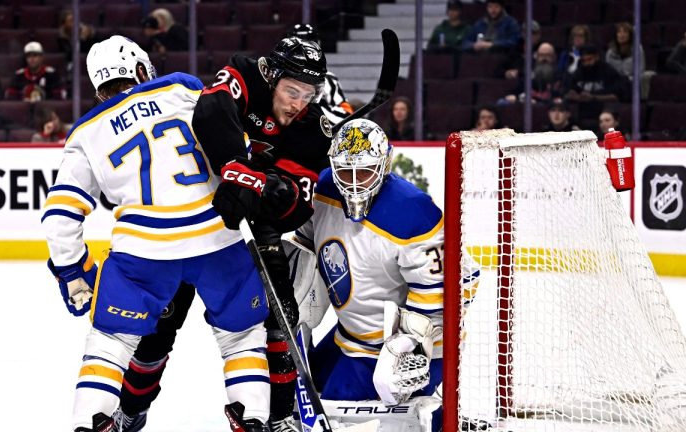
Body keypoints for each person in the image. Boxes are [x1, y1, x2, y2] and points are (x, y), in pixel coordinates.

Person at [41, 35, 271, 432]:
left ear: (99, 88)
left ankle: (89, 422)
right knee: (243, 339)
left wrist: (73, 271)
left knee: (110, 343)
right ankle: (252, 419)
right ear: (143, 70)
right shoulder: (182, 87)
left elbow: (59, 217)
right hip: (218, 234)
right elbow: (231, 139)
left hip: (144, 251)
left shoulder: (86, 133)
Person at [114, 36, 334, 432]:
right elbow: (212, 109)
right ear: (272, 76)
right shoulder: (247, 74)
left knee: (279, 318)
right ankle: (131, 408)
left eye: (308, 94)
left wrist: (266, 191)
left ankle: (281, 414)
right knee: (159, 325)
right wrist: (238, 168)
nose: (298, 103)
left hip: (251, 228)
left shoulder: (313, 128)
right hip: (193, 216)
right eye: (292, 91)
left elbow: (296, 205)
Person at [291, 119, 480, 431]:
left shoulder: (412, 211)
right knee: (295, 392)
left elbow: (456, 283)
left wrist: (411, 347)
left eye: (363, 171)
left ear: (384, 165)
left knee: (347, 408)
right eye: (344, 171)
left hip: (418, 350)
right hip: (353, 337)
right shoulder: (324, 189)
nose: (352, 183)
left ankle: (438, 415)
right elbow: (307, 247)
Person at [286, 23, 353, 120]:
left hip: (321, 131)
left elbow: (347, 114)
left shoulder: (329, 79)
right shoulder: (280, 76)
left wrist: (316, 112)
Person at [564, 45, 627, 125]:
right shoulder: (579, 72)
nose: (586, 63)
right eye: (584, 61)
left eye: (589, 59)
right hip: (582, 114)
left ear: (597, 57)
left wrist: (593, 97)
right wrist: (574, 96)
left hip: (603, 113)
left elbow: (616, 96)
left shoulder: (608, 71)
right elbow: (569, 90)